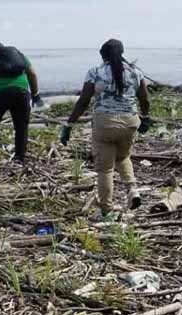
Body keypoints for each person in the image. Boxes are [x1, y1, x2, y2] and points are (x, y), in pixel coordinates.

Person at [60, 38, 152, 220]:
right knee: (123, 156)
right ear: (122, 52)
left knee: (105, 170)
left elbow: (83, 101)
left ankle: (106, 211)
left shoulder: (95, 72)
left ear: (102, 55)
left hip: (104, 123)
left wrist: (69, 124)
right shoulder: (135, 72)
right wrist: (146, 118)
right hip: (130, 121)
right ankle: (132, 189)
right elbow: (145, 99)